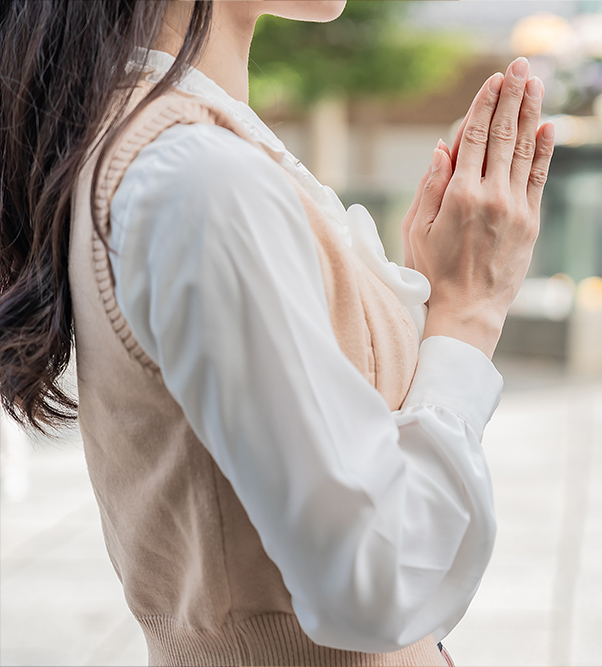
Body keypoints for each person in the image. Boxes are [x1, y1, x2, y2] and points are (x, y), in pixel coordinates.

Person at [0, 1, 553, 665]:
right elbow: (371, 582)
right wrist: (469, 313)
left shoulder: (159, 145)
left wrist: (416, 304)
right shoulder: (196, 177)